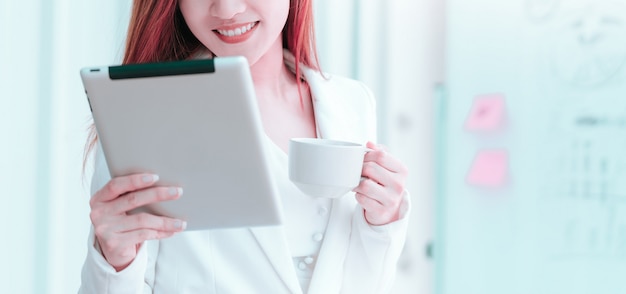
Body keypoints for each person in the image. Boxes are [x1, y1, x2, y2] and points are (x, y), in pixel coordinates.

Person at [79, 0, 411, 293]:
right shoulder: (142, 113)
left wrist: (382, 222)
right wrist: (114, 258)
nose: (226, 9)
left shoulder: (351, 102)